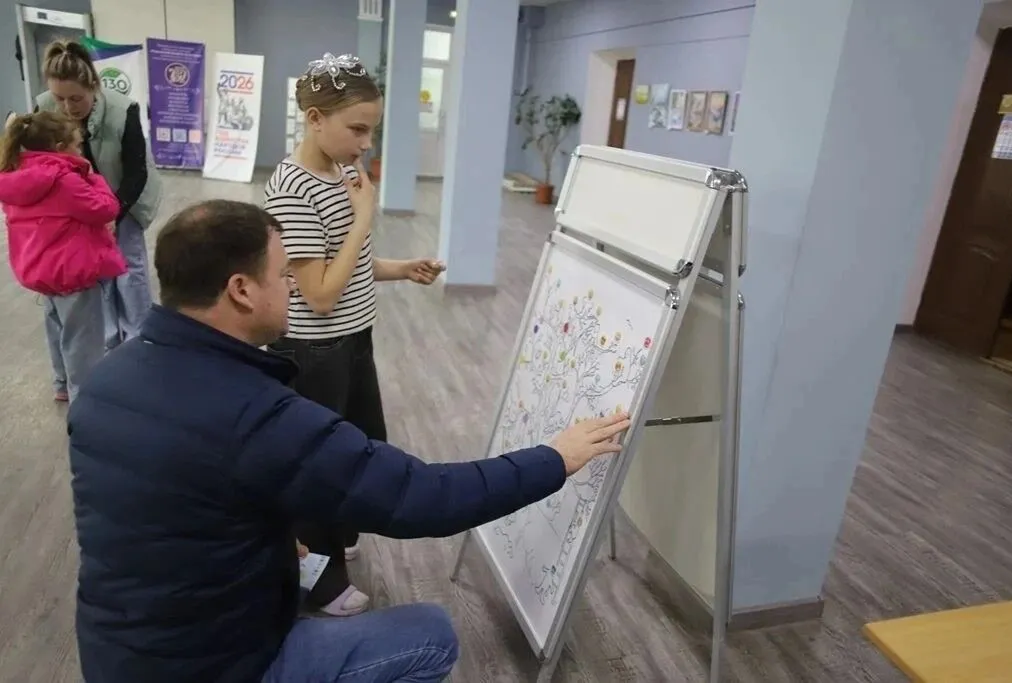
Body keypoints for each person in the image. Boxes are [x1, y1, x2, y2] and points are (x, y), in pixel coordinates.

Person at [67, 198, 631, 683]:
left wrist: (267, 538)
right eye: (283, 274)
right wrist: (554, 458)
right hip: (217, 667)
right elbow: (425, 498)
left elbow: (171, 506)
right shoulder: (260, 417)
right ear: (241, 290)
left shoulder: (105, 380)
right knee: (430, 635)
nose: (292, 285)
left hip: (119, 656)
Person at [263, 52, 445, 615]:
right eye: (358, 129)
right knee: (319, 465)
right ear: (315, 119)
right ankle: (320, 579)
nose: (366, 143)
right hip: (313, 351)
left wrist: (399, 268)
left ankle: (335, 539)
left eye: (372, 131)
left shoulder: (341, 174)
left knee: (360, 446)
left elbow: (348, 263)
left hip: (352, 341)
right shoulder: (292, 188)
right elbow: (319, 293)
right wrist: (364, 214)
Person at [36, 39, 161, 399]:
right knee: (93, 277)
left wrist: (113, 213)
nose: (67, 107)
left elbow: (136, 172)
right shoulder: (44, 108)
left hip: (125, 197)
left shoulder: (123, 110)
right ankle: (108, 346)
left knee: (129, 272)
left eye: (76, 98)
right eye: (59, 98)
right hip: (77, 206)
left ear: (94, 86)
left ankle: (140, 348)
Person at [0, 112, 125, 403]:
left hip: (41, 270)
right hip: (73, 272)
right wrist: (93, 176)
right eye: (77, 145)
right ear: (59, 147)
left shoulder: (15, 176)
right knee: (82, 340)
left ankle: (61, 384)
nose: (80, 151)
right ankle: (85, 399)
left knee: (57, 329)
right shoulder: (64, 180)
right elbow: (106, 208)